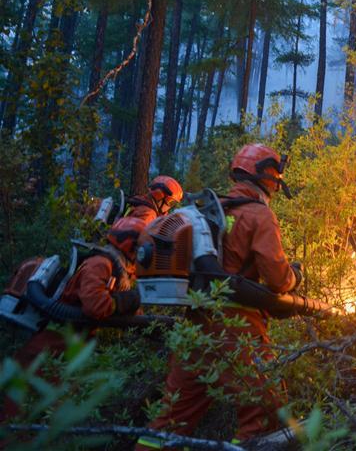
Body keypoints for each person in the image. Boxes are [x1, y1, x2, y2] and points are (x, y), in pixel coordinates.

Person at [136, 144, 302, 449]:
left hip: (194, 327)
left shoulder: (208, 210)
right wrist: (295, 276)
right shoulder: (259, 214)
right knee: (265, 410)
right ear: (269, 178)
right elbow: (277, 279)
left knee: (170, 421)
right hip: (237, 328)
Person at [1, 216, 145, 420]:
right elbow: (95, 306)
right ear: (132, 247)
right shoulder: (100, 264)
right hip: (50, 346)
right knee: (16, 416)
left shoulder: (119, 271)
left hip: (67, 349)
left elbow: (125, 311)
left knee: (51, 415)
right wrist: (128, 300)